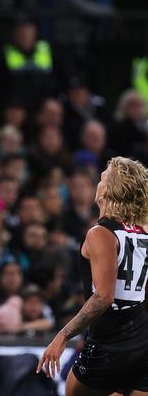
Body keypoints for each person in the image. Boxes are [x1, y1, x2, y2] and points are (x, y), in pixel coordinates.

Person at [38, 157, 148, 395]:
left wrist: (63, 335)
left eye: (102, 178)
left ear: (106, 191)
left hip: (110, 344)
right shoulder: (144, 230)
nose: (99, 181)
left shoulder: (101, 233)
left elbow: (103, 297)